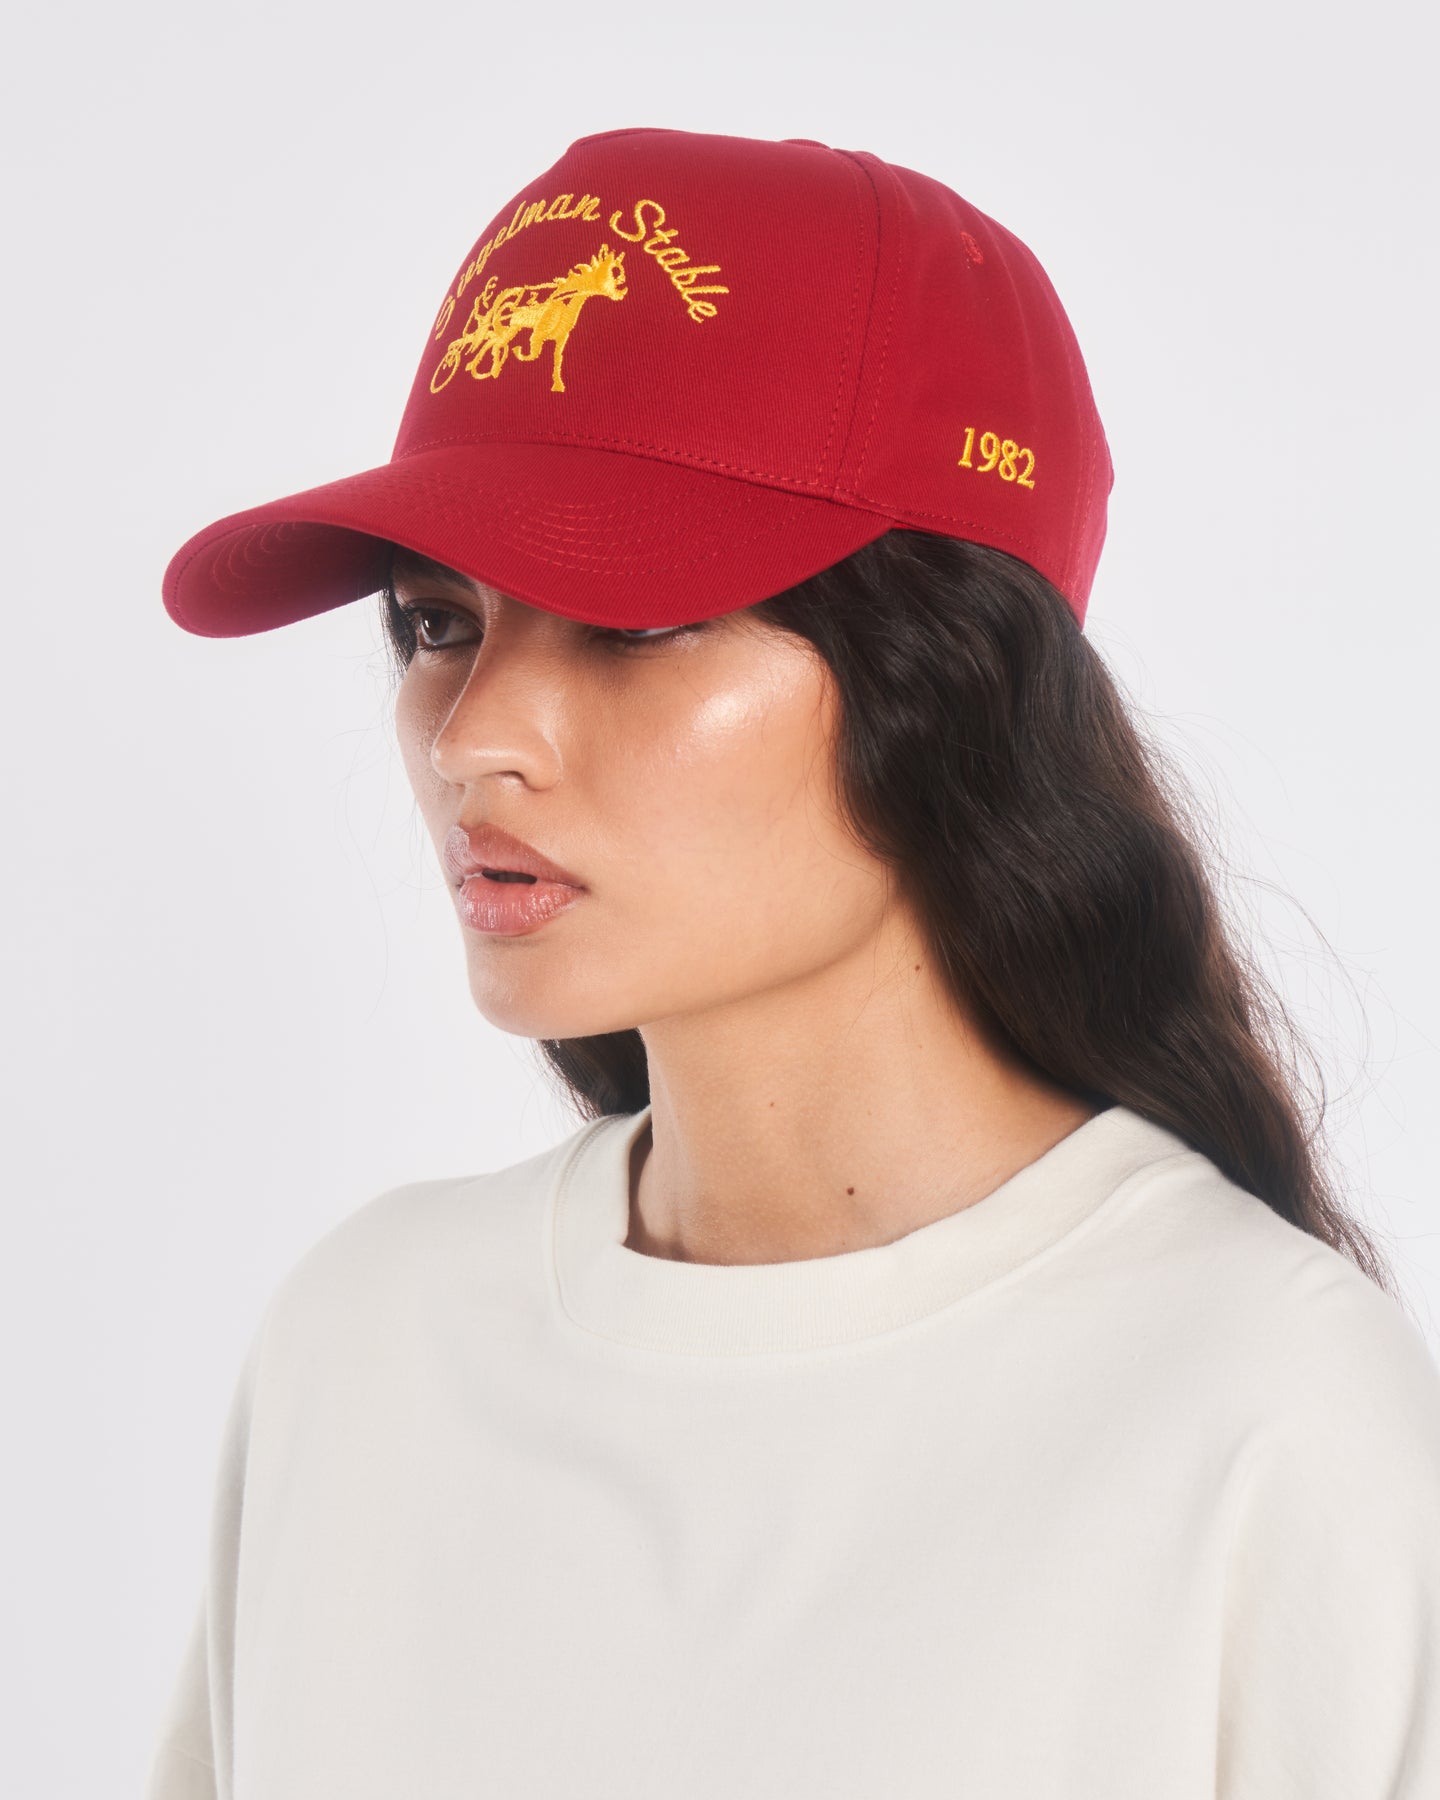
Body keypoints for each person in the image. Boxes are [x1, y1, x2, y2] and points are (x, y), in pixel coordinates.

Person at [145, 127, 1440, 1799]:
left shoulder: (1270, 1425)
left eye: (629, 619)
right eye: (437, 621)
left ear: (950, 680)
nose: (475, 739)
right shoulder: (364, 1348)